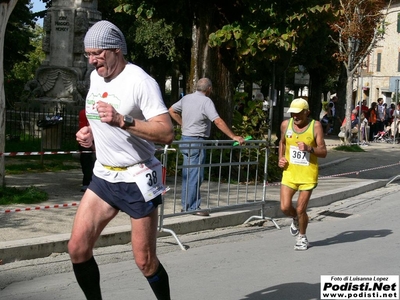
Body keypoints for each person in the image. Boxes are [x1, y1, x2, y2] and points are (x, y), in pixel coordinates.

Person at [68, 21, 174, 300]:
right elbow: (99, 114)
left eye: (97, 54)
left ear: (116, 50)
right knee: (78, 248)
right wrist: (91, 132)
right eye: (88, 54)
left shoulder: (141, 82)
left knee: (145, 261)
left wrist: (121, 120)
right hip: (104, 176)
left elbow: (166, 132)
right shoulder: (96, 77)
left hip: (137, 178)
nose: (92, 61)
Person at [168, 78, 245, 216]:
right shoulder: (206, 101)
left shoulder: (186, 98)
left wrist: (183, 124)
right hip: (197, 141)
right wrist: (234, 136)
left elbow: (171, 110)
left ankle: (186, 205)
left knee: (188, 174)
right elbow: (218, 121)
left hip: (185, 140)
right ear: (209, 89)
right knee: (195, 175)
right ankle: (192, 207)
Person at [278, 98, 327, 251]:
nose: (295, 117)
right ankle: (296, 219)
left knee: (301, 209)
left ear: (307, 112)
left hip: (307, 175)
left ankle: (302, 237)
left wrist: (309, 148)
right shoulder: (286, 125)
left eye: (298, 113)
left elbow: (323, 152)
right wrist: (280, 158)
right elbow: (282, 142)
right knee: (285, 207)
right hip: (290, 173)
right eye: (293, 113)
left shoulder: (316, 126)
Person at [78, 109, 95, 192]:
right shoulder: (84, 113)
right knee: (87, 161)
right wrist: (92, 146)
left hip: (102, 140)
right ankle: (87, 183)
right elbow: (84, 132)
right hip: (87, 140)